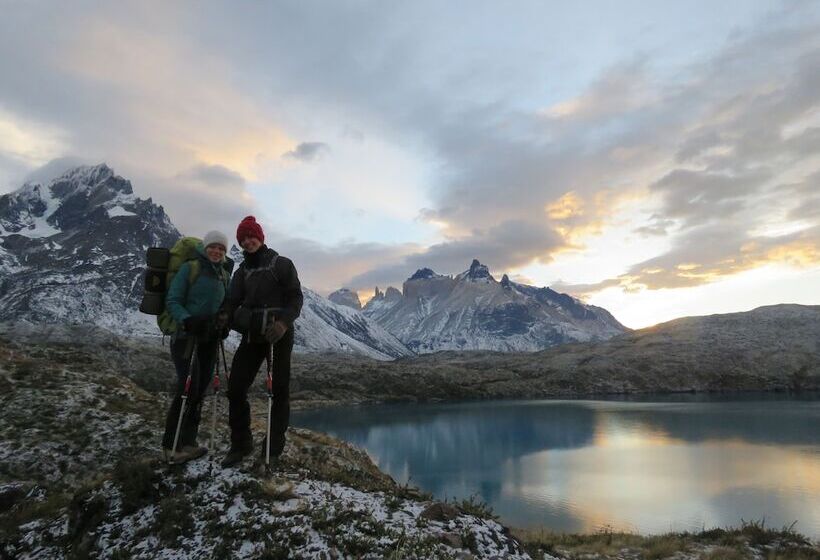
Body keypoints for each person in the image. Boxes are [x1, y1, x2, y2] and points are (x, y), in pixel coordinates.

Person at [219, 216, 303, 468]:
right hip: (253, 334)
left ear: (261, 237)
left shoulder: (282, 264)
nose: (247, 241)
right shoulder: (242, 271)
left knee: (279, 391)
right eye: (243, 239)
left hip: (279, 334)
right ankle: (241, 443)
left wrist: (283, 323)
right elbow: (232, 301)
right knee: (235, 388)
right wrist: (224, 317)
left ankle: (272, 450)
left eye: (251, 236)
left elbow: (295, 298)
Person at [161, 231, 231, 464]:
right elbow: (173, 301)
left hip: (209, 340)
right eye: (213, 247)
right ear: (205, 247)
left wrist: (224, 322)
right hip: (186, 337)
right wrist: (188, 320)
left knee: (200, 390)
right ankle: (172, 445)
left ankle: (188, 442)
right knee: (186, 388)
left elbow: (224, 305)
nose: (216, 251)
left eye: (221, 249)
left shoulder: (223, 274)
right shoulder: (189, 269)